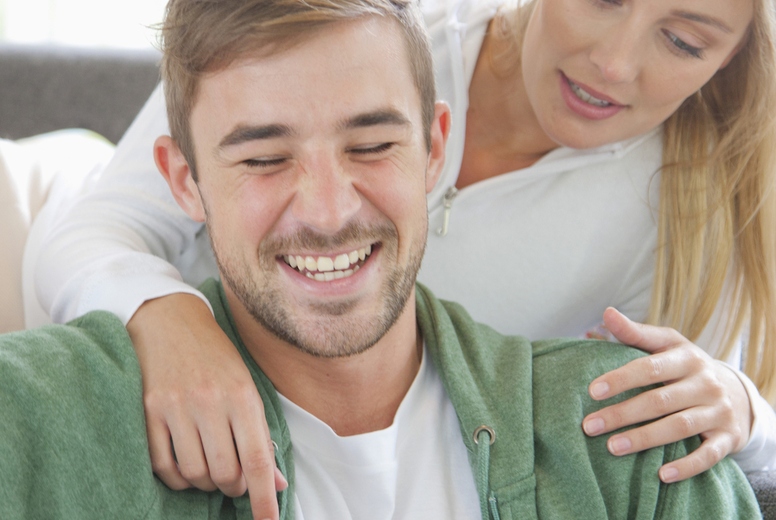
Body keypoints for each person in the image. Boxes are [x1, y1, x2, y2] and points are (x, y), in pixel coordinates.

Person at [0, 1, 763, 517]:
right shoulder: (396, 26)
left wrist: (745, 411)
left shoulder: (694, 212)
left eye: (685, 40)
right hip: (117, 264)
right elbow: (95, 228)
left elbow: (717, 434)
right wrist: (170, 319)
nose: (615, 63)